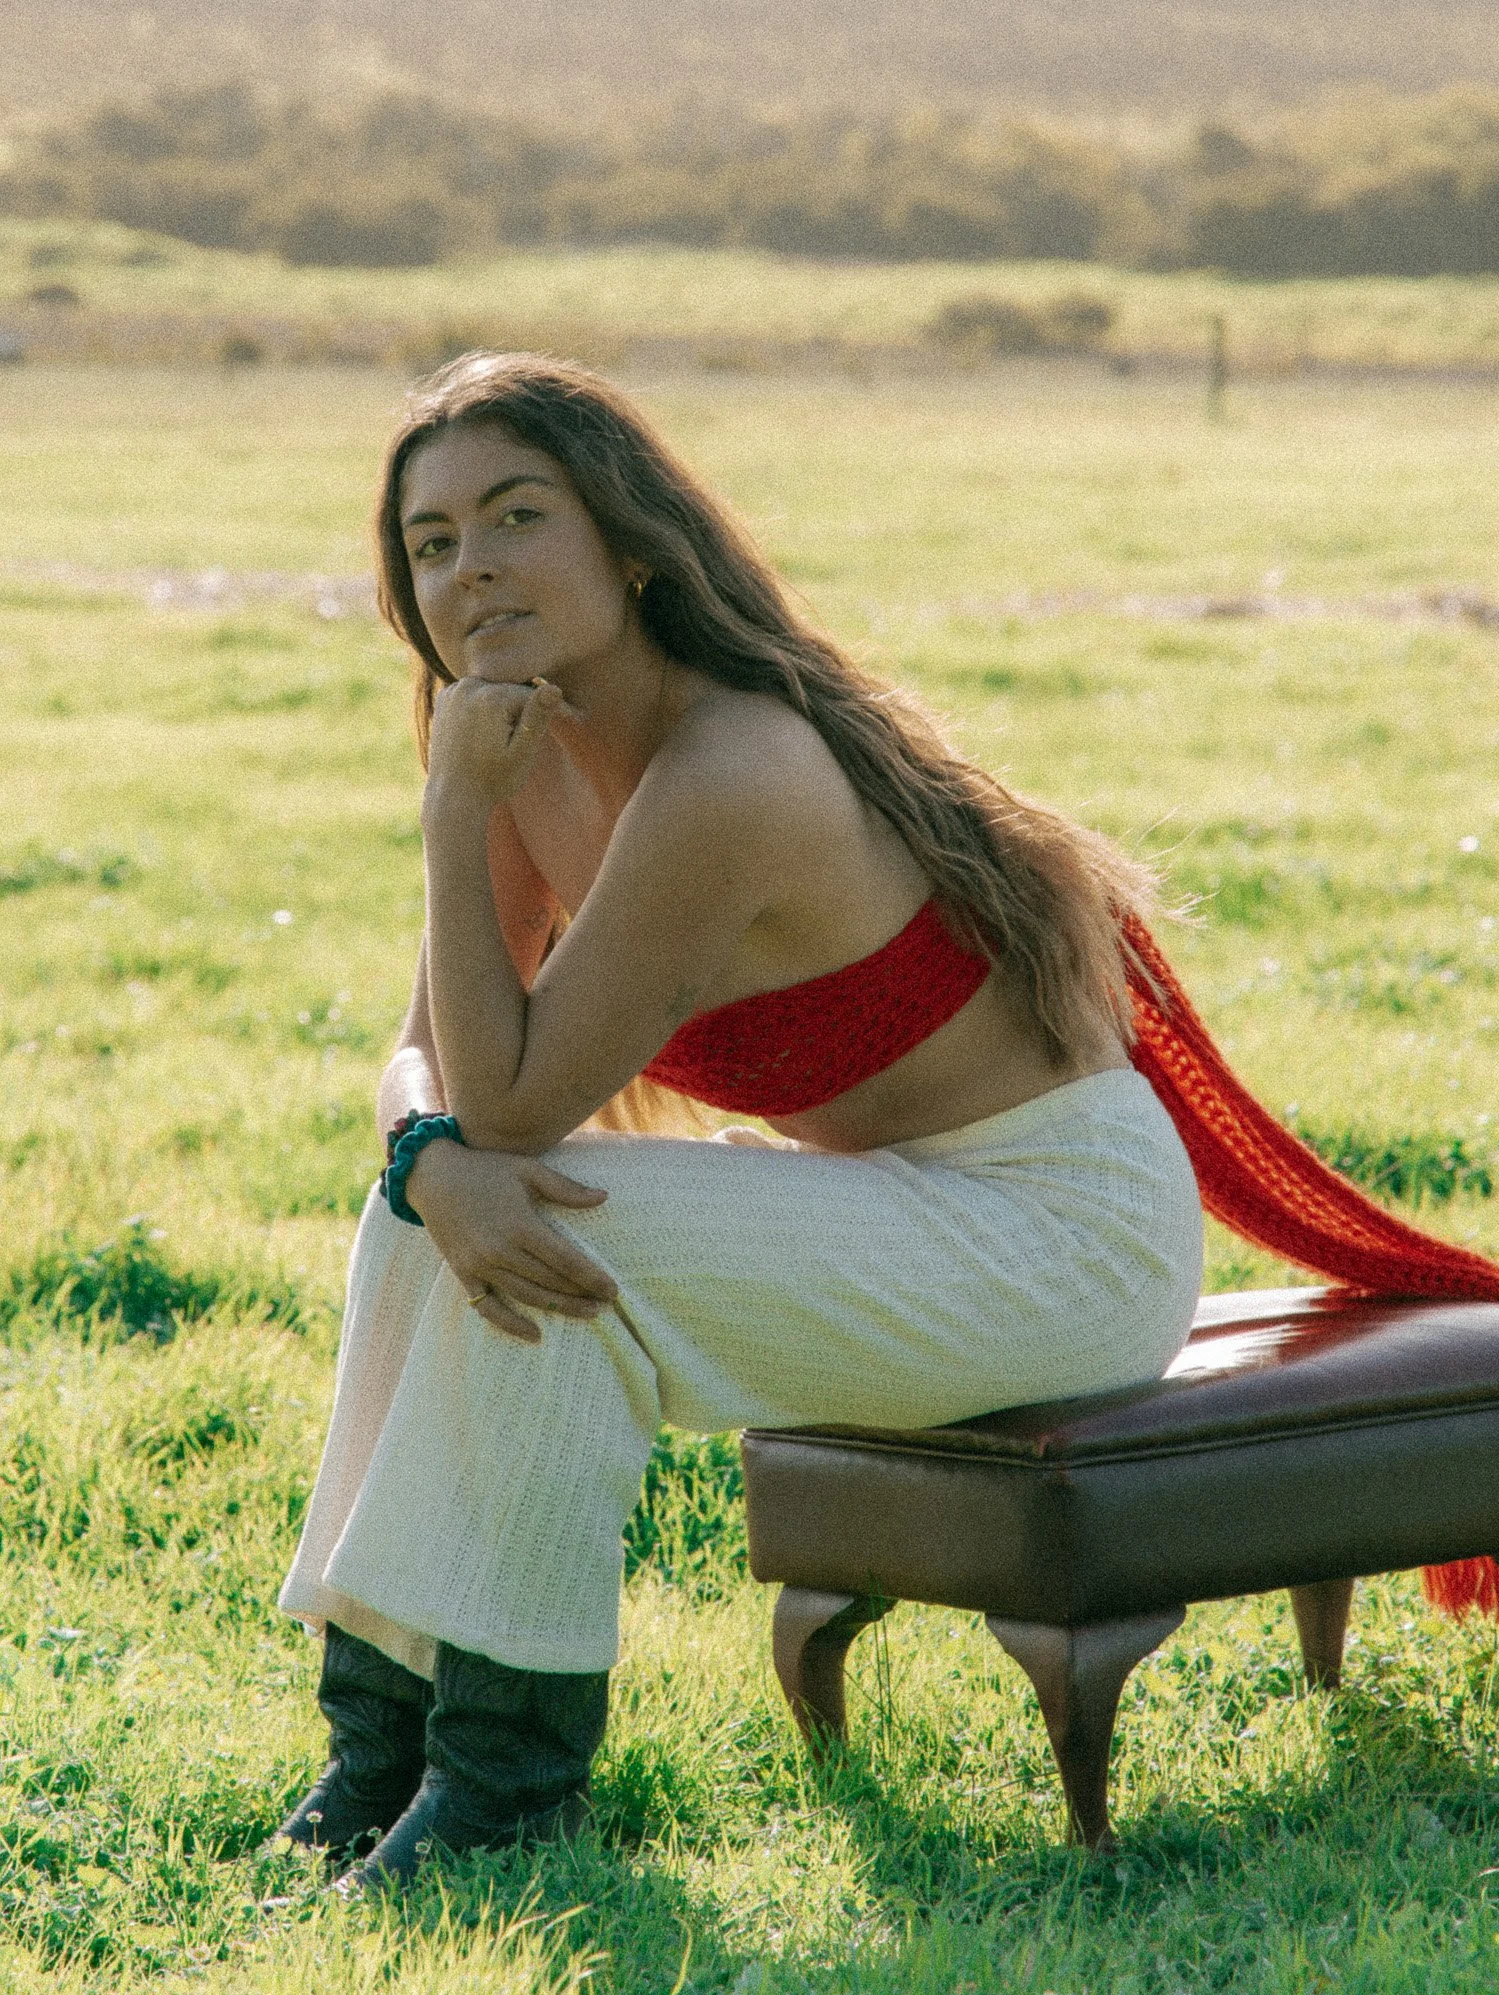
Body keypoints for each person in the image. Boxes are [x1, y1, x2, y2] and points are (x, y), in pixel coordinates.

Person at [271, 350, 1205, 1889]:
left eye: (516, 517)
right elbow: (430, 1064)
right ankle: (382, 1751)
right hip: (901, 1202)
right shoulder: (525, 744)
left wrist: (448, 818)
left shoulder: (730, 766)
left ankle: (503, 1788)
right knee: (452, 1220)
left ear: (630, 543)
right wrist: (425, 1164)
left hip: (1061, 1237)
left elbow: (503, 1098)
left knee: (553, 1241)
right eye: (431, 545)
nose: (472, 566)